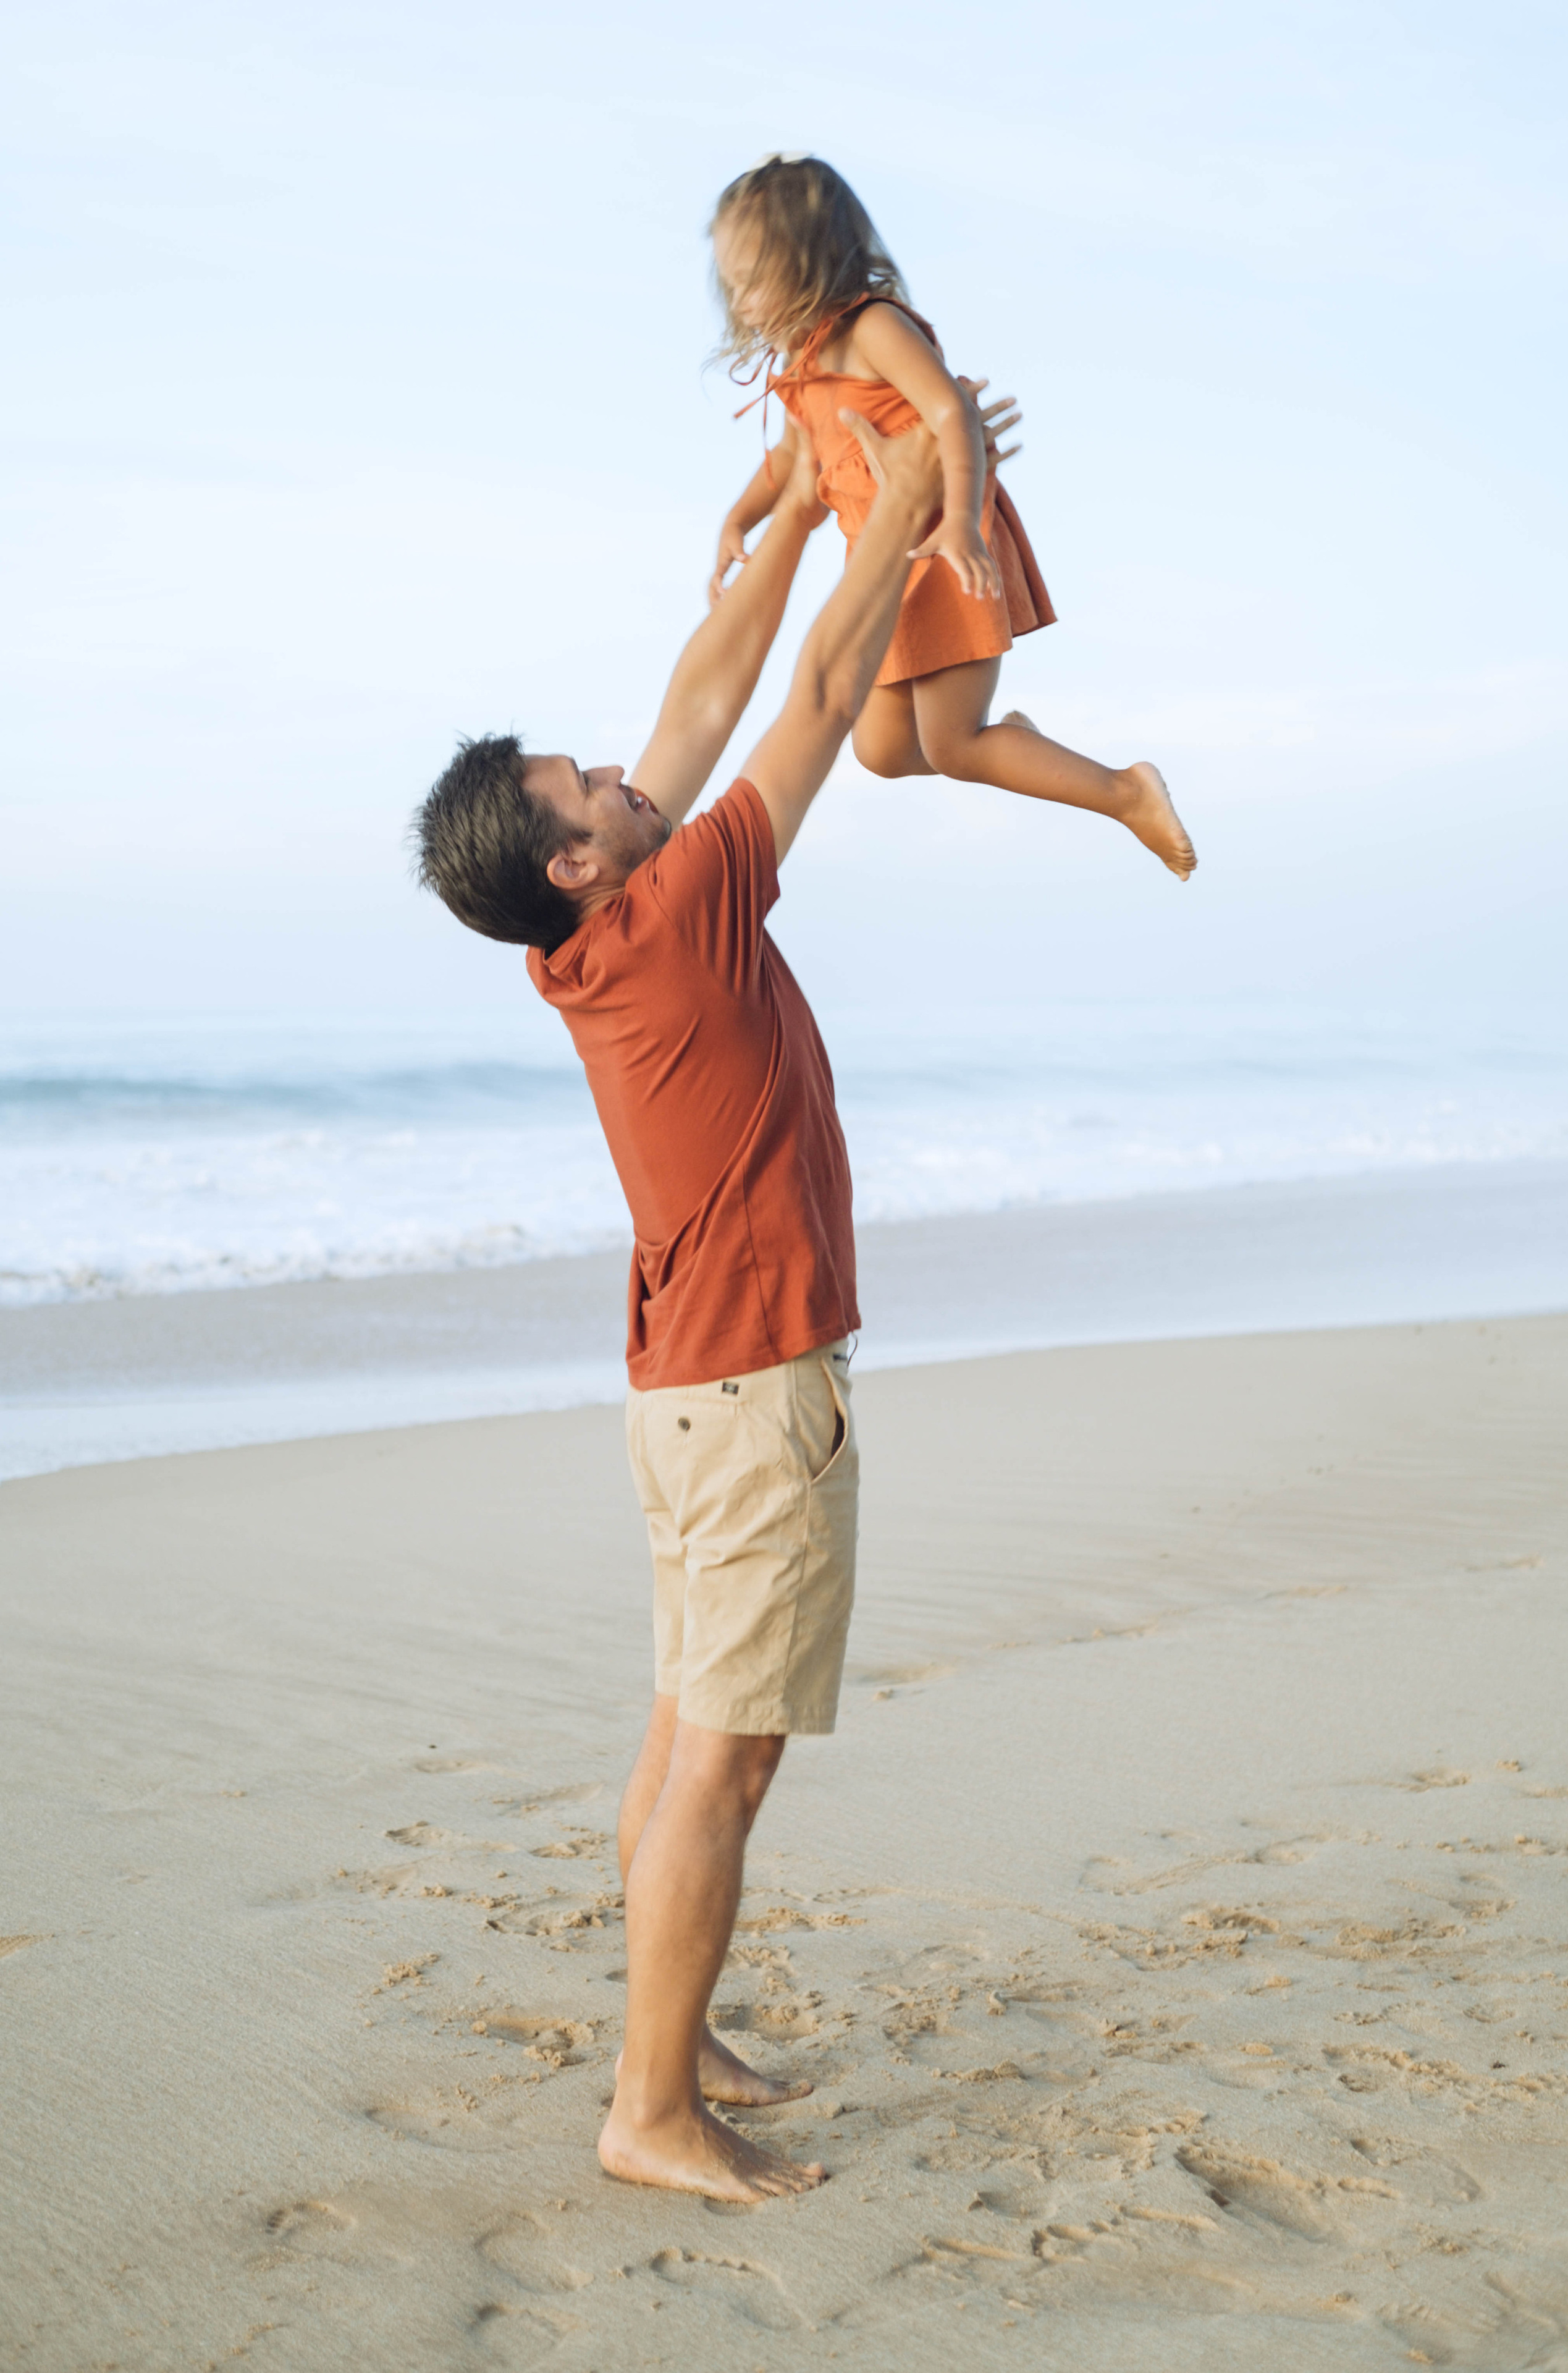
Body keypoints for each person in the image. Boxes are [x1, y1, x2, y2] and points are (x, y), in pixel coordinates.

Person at [412, 394, 1014, 2202]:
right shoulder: (673, 907)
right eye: (577, 790)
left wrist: (786, 522)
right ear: (583, 863)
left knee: (683, 1731)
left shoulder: (580, 938)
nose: (609, 764)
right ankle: (649, 2110)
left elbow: (712, 675)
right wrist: (904, 494)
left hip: (685, 1392)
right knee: (720, 1769)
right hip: (748, 1395)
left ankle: (675, 2039)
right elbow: (819, 695)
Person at [709, 151, 1197, 881]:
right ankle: (1020, 746)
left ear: (808, 261)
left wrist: (964, 521)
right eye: (731, 285)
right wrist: (736, 521)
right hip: (882, 572)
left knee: (954, 745)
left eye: (752, 280)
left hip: (942, 546)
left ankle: (1126, 792)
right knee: (879, 753)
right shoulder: (801, 367)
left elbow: (953, 415)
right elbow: (791, 464)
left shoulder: (873, 328)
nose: (741, 302)